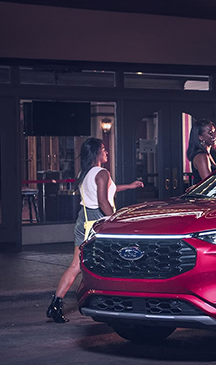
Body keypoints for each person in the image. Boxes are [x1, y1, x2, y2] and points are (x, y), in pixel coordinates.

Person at [46, 138, 143, 323]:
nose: (106, 152)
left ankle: (55, 304)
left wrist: (129, 186)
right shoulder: (103, 173)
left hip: (83, 222)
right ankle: (114, 304)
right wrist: (116, 222)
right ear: (96, 153)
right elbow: (103, 201)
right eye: (104, 149)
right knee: (114, 264)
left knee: (76, 266)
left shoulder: (86, 173)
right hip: (98, 223)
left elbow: (106, 191)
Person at [186, 119, 216, 184]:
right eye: (210, 133)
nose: (214, 135)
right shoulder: (201, 156)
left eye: (214, 132)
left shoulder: (207, 154)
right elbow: (209, 183)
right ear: (200, 137)